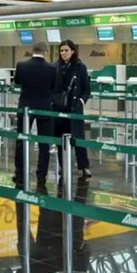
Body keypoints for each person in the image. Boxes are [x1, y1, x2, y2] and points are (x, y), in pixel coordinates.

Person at [13, 42, 56, 187]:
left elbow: (17, 82)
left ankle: (20, 173)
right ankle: (41, 175)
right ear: (45, 51)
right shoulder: (52, 68)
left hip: (25, 106)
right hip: (44, 107)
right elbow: (54, 86)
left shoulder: (21, 65)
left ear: (33, 51)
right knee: (44, 143)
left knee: (21, 140)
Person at [52, 40, 92, 179]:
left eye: (66, 50)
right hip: (59, 109)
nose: (63, 53)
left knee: (78, 139)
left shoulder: (80, 67)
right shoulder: (55, 66)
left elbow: (87, 88)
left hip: (74, 108)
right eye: (61, 50)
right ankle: (63, 166)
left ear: (73, 51)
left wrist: (81, 101)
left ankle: (84, 166)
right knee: (60, 140)